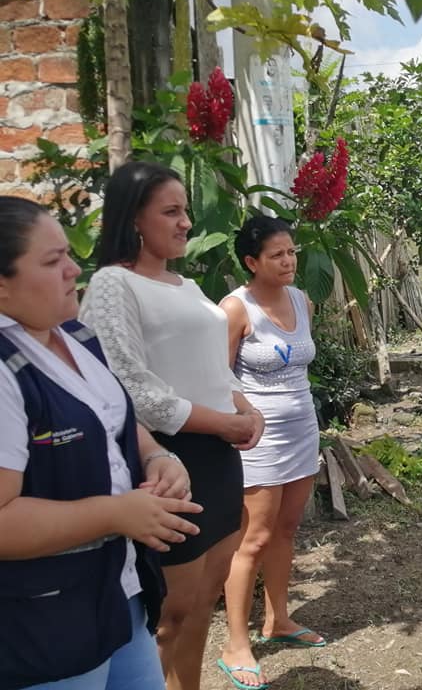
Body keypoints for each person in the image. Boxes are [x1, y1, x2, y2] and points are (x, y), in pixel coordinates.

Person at [0, 196, 201, 689]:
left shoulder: (75, 336)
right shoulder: (6, 369)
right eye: (53, 261)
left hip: (116, 591)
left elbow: (109, 419)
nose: (73, 269)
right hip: (44, 622)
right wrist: (113, 514)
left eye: (68, 254)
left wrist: (157, 455)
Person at [78, 162, 265, 690]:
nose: (186, 222)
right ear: (134, 218)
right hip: (168, 460)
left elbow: (213, 366)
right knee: (168, 614)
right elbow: (129, 387)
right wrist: (224, 422)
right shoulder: (114, 284)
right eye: (171, 211)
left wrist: (246, 408)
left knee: (204, 600)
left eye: (185, 210)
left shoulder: (186, 285)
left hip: (219, 457)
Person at [218, 216, 323, 690]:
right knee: (253, 539)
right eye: (277, 255)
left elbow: (301, 364)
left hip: (302, 428)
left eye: (291, 252)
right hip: (258, 438)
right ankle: (235, 644)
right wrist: (244, 417)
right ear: (251, 261)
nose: (288, 261)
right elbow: (218, 376)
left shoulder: (301, 300)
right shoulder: (234, 308)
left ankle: (278, 620)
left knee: (286, 528)